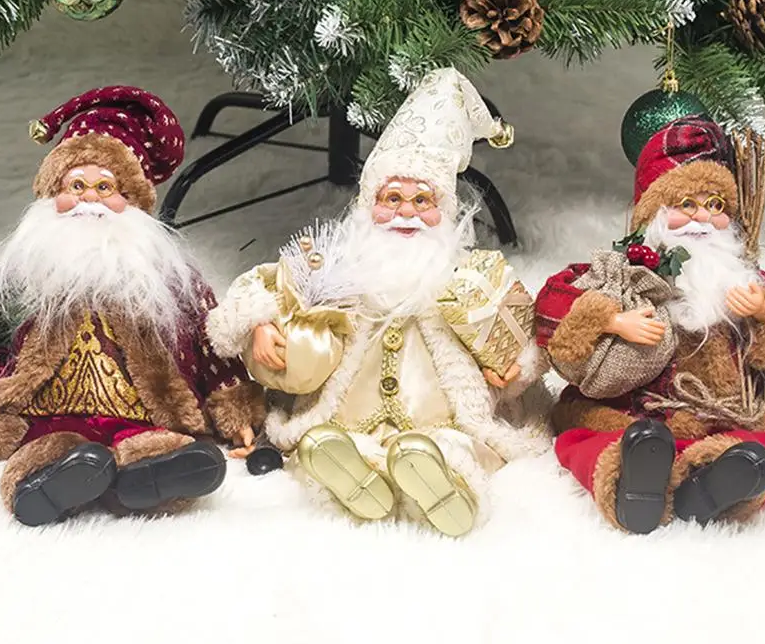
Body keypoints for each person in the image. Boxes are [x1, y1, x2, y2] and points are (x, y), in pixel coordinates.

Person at [208, 69, 545, 537]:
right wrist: (259, 323)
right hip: (348, 410)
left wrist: (515, 369)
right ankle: (355, 477)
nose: (406, 212)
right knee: (329, 442)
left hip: (441, 414)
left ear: (445, 210)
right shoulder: (336, 264)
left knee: (453, 446)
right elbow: (263, 282)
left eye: (422, 200)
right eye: (392, 198)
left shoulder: (470, 275)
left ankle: (448, 488)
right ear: (368, 206)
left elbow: (520, 333)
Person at [0, 86, 263, 526]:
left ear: (131, 200)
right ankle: (50, 479)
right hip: (46, 417)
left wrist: (235, 408)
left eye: (105, 187)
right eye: (76, 185)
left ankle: (151, 474)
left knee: (154, 441)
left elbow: (210, 339)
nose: (90, 199)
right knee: (50, 446)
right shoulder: (23, 274)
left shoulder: (168, 281)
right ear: (52, 193)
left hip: (145, 411)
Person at [536, 116, 765, 534]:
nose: (703, 217)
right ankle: (633, 485)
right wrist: (612, 319)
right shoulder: (630, 270)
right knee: (596, 438)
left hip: (731, 416)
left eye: (716, 205)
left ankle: (717, 484)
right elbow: (552, 303)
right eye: (687, 204)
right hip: (643, 411)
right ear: (655, 214)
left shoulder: (743, 278)